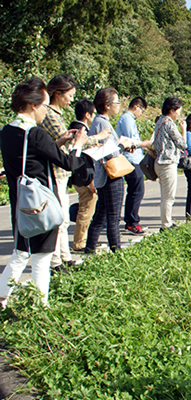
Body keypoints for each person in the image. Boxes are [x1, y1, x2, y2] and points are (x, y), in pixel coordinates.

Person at [0, 77, 87, 307]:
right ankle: (41, 305)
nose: (44, 112)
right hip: (42, 203)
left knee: (21, 252)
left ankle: (2, 298)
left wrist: (57, 141)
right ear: (32, 105)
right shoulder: (36, 134)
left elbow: (32, 155)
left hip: (20, 201)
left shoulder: (7, 131)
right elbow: (69, 163)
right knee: (41, 257)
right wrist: (77, 144)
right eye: (43, 106)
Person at [39, 74, 78, 270]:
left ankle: (65, 257)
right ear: (57, 94)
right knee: (59, 219)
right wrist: (93, 138)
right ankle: (56, 262)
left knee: (64, 219)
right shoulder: (49, 114)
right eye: (69, 95)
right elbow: (65, 141)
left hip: (61, 173)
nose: (71, 99)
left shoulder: (55, 114)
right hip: (54, 172)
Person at [85, 88, 128, 253]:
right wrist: (124, 146)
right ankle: (116, 250)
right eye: (116, 102)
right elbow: (111, 151)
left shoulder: (97, 121)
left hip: (102, 176)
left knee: (100, 215)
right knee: (113, 217)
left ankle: (90, 248)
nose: (118, 105)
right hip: (112, 174)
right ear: (107, 104)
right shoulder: (103, 123)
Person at [68, 99, 110, 252]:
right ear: (87, 115)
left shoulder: (73, 128)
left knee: (84, 209)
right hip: (85, 178)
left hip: (79, 178)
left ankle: (81, 240)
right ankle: (80, 243)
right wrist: (91, 180)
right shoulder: (81, 131)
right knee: (86, 212)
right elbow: (84, 161)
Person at [116, 97, 152, 235]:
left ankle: (131, 221)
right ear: (137, 106)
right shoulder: (127, 119)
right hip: (131, 159)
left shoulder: (128, 119)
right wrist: (144, 143)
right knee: (136, 191)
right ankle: (132, 222)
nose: (141, 114)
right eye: (141, 111)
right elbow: (130, 141)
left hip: (135, 158)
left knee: (136, 191)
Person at [153, 97, 187, 231]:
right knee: (168, 197)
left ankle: (167, 221)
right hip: (167, 163)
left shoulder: (160, 121)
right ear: (172, 110)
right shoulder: (169, 123)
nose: (179, 114)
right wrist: (183, 129)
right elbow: (182, 144)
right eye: (178, 111)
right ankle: (166, 224)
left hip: (159, 162)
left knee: (165, 195)